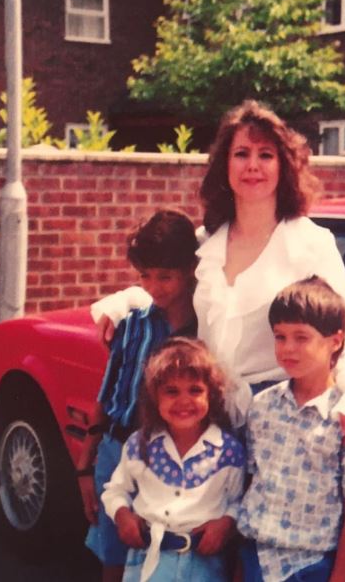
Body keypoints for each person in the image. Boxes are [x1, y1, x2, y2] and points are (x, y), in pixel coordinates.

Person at [92, 100, 345, 450]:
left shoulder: (310, 243)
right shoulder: (206, 242)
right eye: (241, 153)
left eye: (266, 155)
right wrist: (123, 301)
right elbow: (168, 289)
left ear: (283, 166)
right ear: (225, 164)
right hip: (207, 419)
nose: (252, 165)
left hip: (277, 424)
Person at [78, 209, 200, 582]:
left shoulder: (204, 332)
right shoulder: (133, 324)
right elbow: (109, 390)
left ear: (190, 272)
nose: (153, 286)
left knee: (162, 563)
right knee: (113, 557)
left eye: (165, 276)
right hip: (115, 451)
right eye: (145, 276)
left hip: (170, 462)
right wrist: (86, 464)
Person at [239, 276, 345, 582]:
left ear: (336, 340)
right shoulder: (262, 405)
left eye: (301, 337)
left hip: (310, 566)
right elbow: (252, 481)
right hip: (256, 558)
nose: (288, 348)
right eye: (280, 337)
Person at [101, 338, 246, 582]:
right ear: (154, 398)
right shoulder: (140, 444)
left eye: (195, 390)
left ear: (211, 394)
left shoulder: (228, 451)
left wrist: (226, 523)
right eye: (171, 391)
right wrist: (122, 515)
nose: (184, 401)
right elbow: (115, 490)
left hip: (203, 564)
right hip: (148, 560)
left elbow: (238, 501)